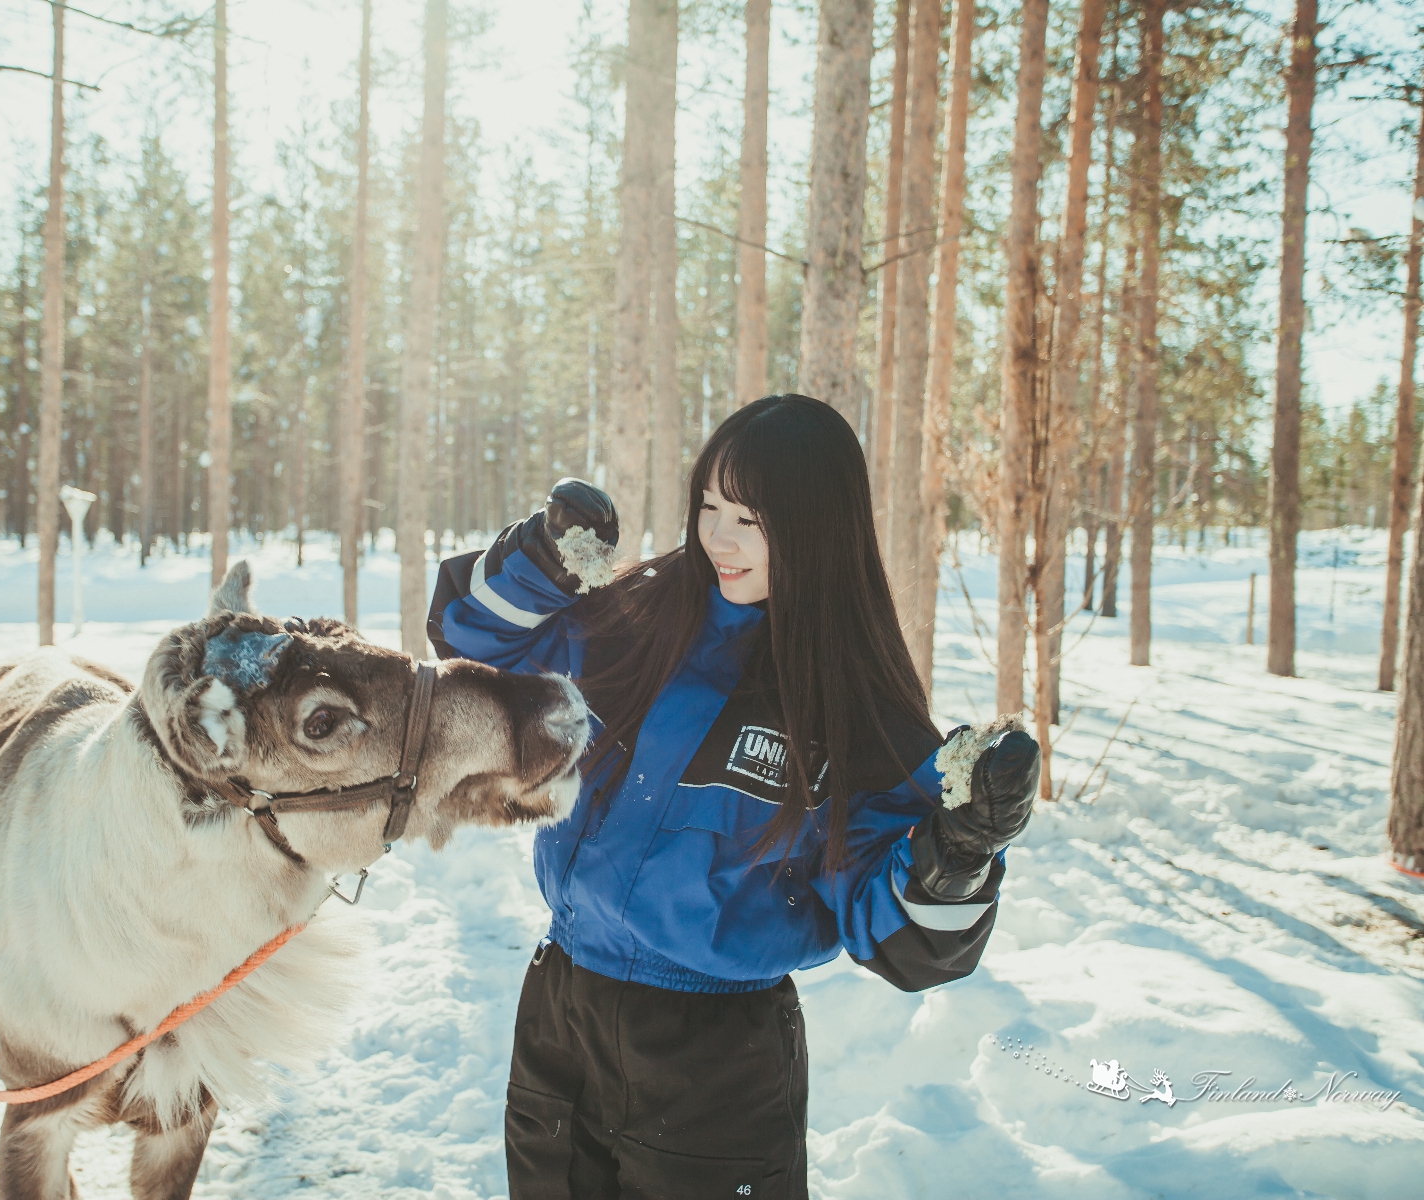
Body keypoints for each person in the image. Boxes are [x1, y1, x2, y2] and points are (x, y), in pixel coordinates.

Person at [427, 395, 1040, 1200]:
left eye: (749, 517)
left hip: (713, 1066)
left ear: (816, 528)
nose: (718, 536)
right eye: (709, 506)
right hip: (560, 1017)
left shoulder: (851, 708)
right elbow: (475, 641)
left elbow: (900, 935)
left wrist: (959, 851)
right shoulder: (633, 618)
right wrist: (537, 561)